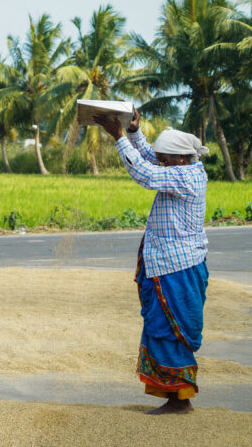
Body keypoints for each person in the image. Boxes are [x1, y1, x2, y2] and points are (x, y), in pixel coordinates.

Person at [95, 109, 209, 415]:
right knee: (161, 326)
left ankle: (179, 400)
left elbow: (146, 172)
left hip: (177, 268)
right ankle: (174, 395)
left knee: (169, 329)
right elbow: (150, 158)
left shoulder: (187, 177)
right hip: (167, 264)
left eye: (166, 158)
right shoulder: (181, 166)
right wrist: (134, 132)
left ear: (180, 159)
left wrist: (118, 137)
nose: (161, 161)